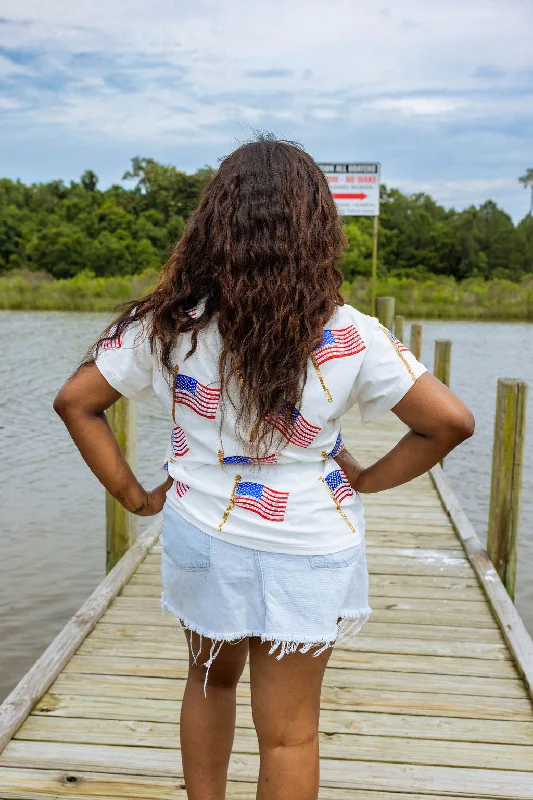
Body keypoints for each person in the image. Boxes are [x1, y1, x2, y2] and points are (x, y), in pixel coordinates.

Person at [54, 137, 474, 800]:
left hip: (201, 531)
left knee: (208, 680)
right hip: (309, 539)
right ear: (317, 230)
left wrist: (135, 497)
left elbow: (76, 402)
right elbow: (448, 421)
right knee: (290, 733)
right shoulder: (350, 333)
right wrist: (363, 479)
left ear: (215, 225)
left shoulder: (170, 326)